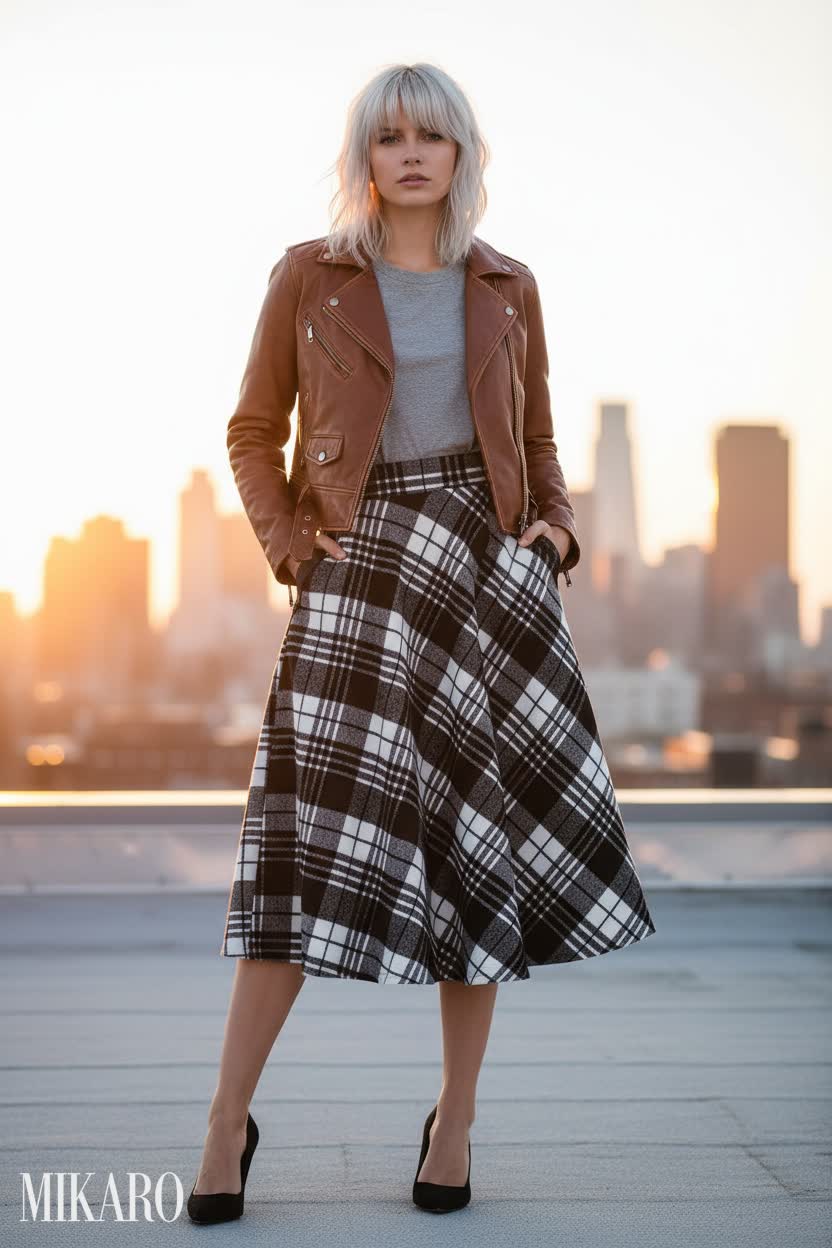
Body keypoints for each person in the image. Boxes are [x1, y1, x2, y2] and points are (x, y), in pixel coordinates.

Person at [188, 61, 656, 1224]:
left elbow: (536, 438)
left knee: (472, 853)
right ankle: (224, 1120)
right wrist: (290, 545)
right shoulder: (310, 276)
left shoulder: (506, 285)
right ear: (364, 155)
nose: (409, 153)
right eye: (388, 135)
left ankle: (455, 1119)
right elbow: (252, 429)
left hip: (484, 582)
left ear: (461, 155)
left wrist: (553, 532)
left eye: (430, 136)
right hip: (355, 571)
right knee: (303, 857)